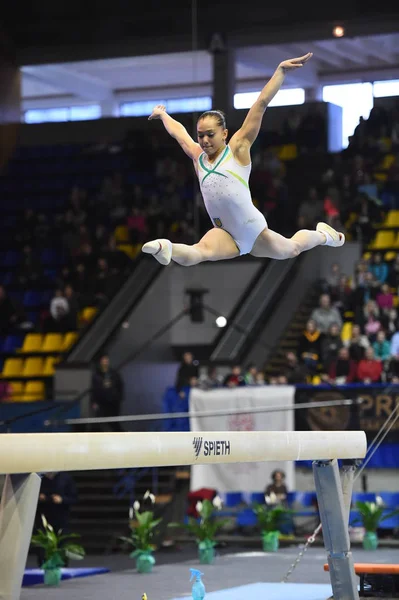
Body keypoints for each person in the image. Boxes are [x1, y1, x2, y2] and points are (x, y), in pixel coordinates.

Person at [142, 53, 345, 267]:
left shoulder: (237, 148)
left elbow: (260, 104)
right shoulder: (197, 157)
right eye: (200, 135)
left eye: (210, 134)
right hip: (225, 233)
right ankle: (166, 247)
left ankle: (324, 235)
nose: (203, 140)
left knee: (292, 248)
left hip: (251, 228)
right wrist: (164, 116)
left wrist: (281, 72)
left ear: (224, 134)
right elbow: (179, 133)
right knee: (199, 252)